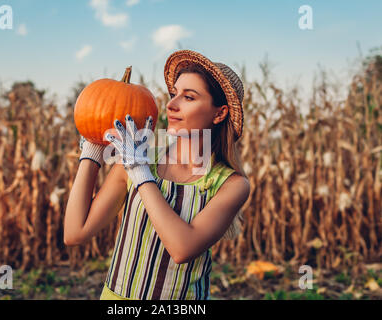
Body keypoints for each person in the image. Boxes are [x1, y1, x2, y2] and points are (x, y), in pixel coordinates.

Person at [64, 49, 251, 300]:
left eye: (189, 97)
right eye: (174, 94)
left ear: (219, 113)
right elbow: (75, 233)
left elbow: (182, 248)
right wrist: (92, 147)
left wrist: (140, 173)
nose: (171, 105)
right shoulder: (139, 158)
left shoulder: (230, 184)